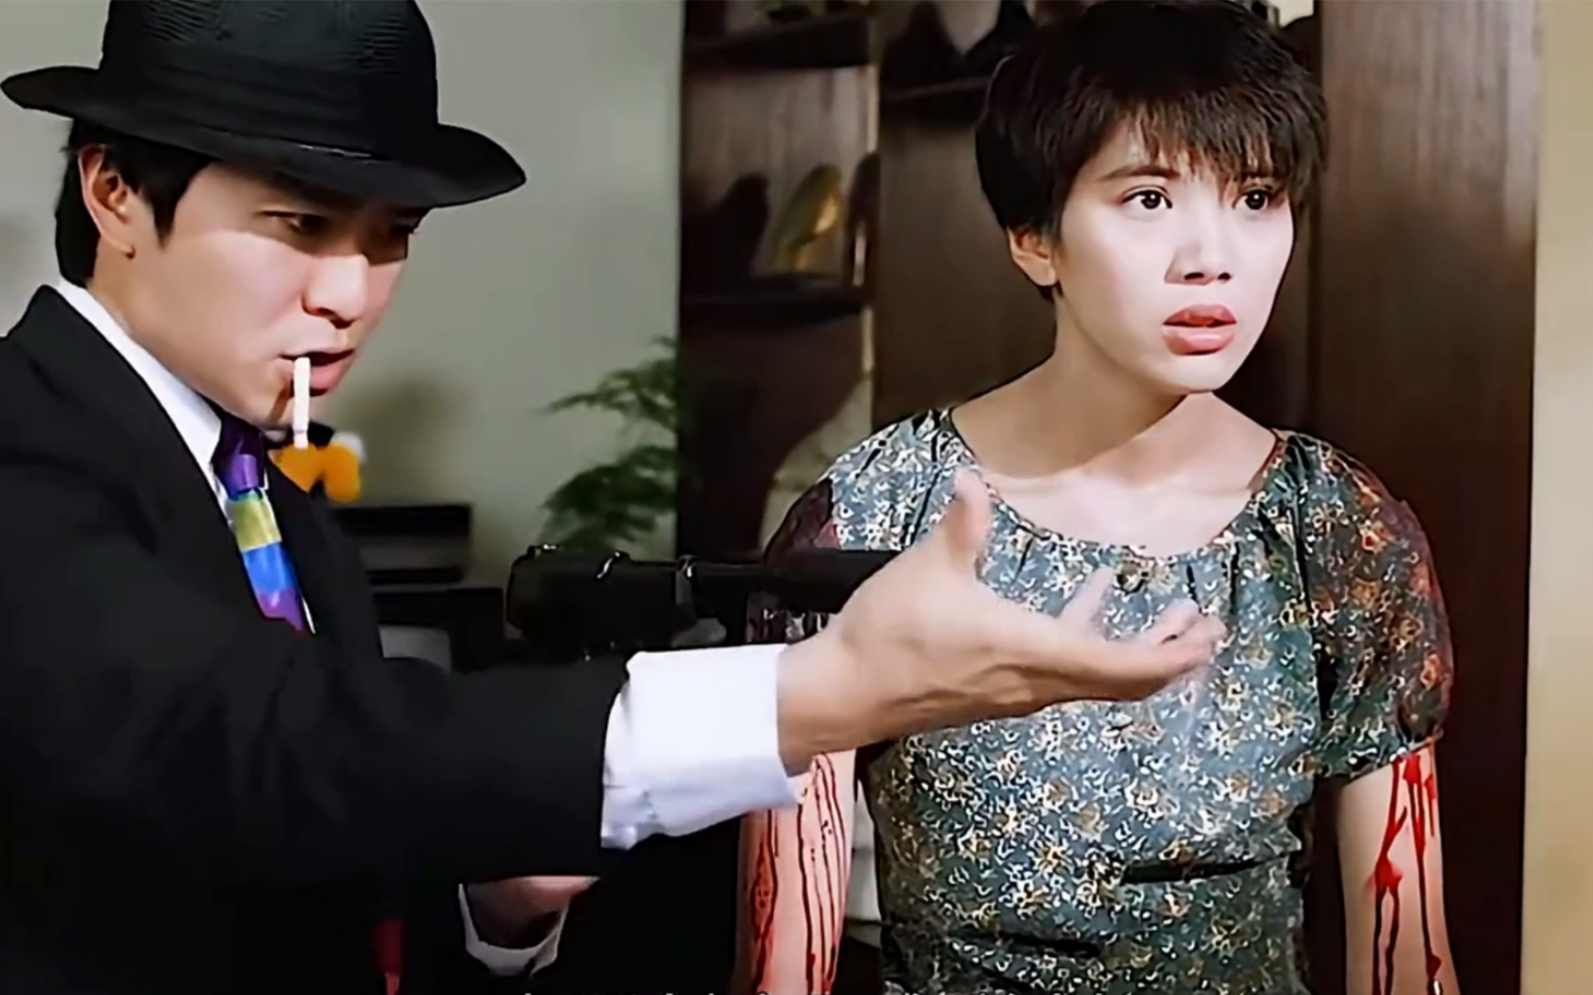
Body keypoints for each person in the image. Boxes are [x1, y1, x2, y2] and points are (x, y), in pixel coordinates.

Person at [0, 2, 1225, 994]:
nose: (351, 293)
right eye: (301, 224)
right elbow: (261, 734)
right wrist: (814, 692)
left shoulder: (272, 499)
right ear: (115, 191)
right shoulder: (24, 447)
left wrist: (496, 899)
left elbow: (310, 857)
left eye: (392, 235)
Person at [733, 4, 1459, 995]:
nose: (1211, 255)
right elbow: (780, 961)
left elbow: (1406, 952)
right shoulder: (875, 513)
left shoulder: (1336, 529)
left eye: (1255, 197)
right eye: (1149, 198)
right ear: (1034, 236)